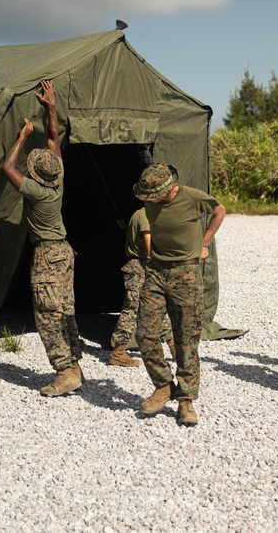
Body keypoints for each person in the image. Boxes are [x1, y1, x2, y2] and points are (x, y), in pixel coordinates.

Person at [2, 79, 83, 397]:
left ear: (35, 173)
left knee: (48, 314)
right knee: (65, 309)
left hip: (49, 256)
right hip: (65, 253)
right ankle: (74, 366)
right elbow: (53, 136)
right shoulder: (58, 177)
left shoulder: (36, 192)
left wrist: (22, 137)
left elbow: (7, 166)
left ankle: (64, 372)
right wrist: (50, 105)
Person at [132, 163, 225, 426]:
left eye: (155, 194)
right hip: (156, 271)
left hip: (186, 273)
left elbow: (220, 210)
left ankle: (186, 400)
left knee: (186, 338)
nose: (150, 200)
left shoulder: (192, 197)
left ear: (171, 188)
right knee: (145, 333)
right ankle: (163, 386)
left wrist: (204, 242)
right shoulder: (151, 198)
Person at [108, 207, 176, 367]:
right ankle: (118, 352)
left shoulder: (149, 213)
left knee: (157, 306)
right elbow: (150, 246)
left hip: (146, 266)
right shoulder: (144, 216)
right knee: (131, 309)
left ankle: (173, 347)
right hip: (140, 267)